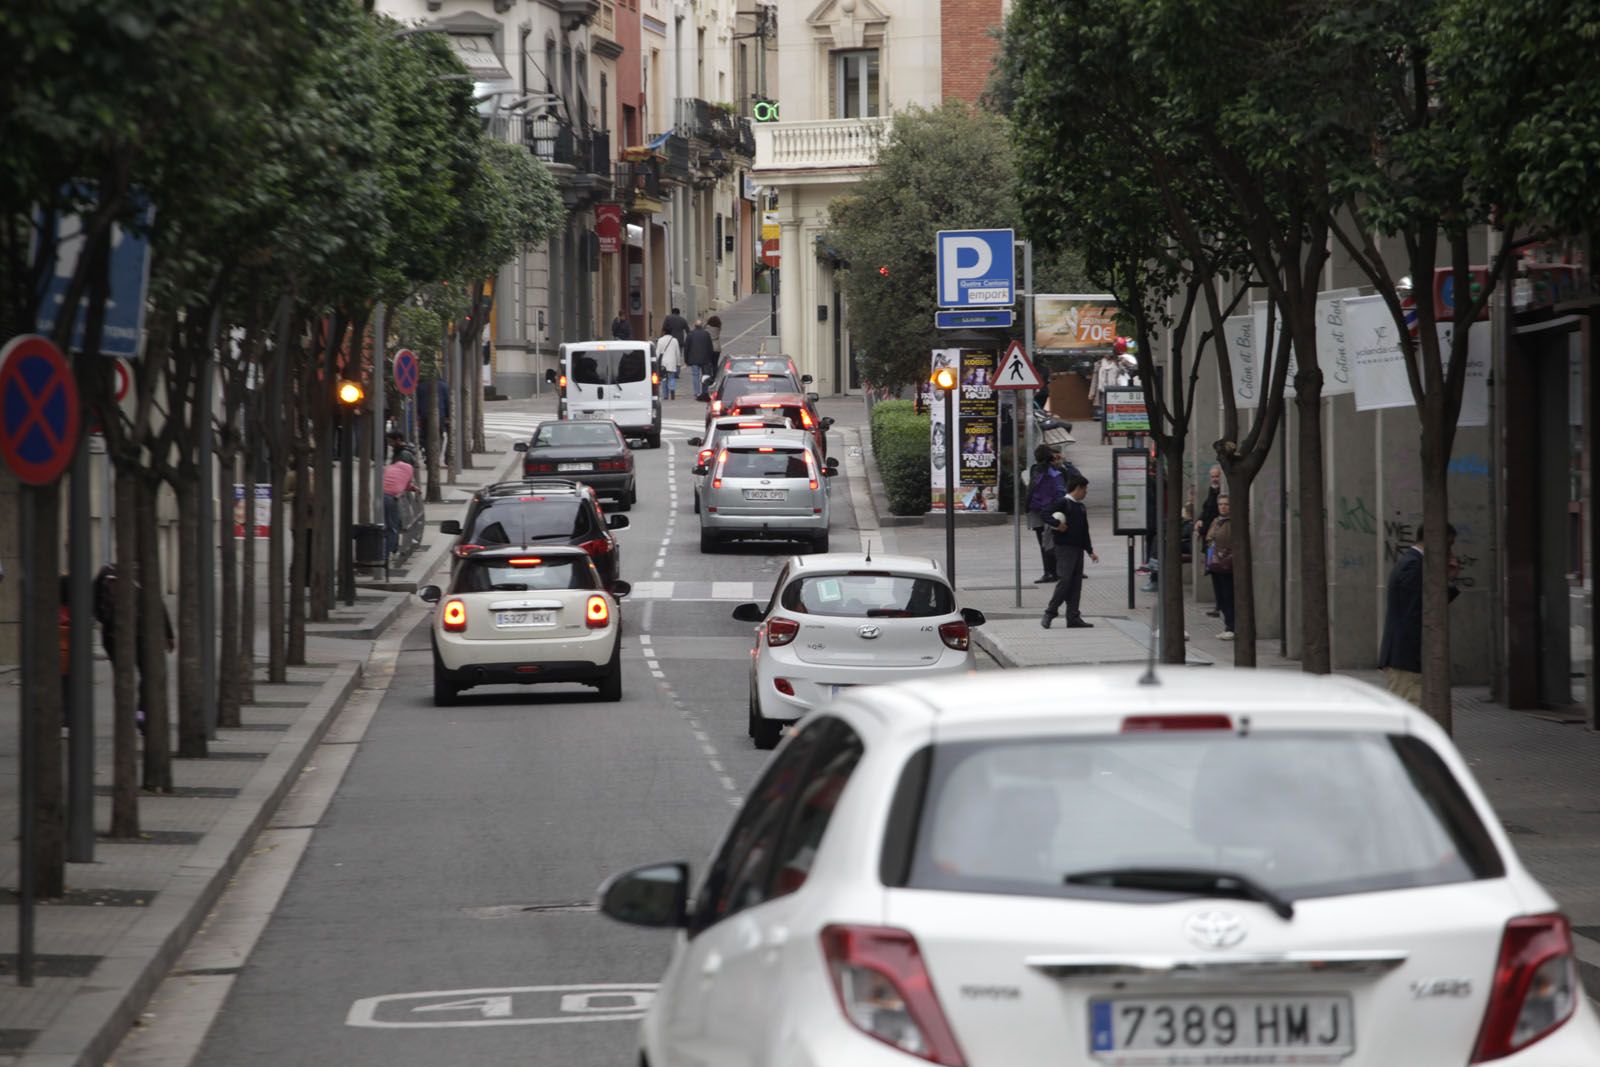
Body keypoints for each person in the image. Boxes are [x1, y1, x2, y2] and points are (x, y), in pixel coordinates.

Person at [1379, 523, 1461, 707]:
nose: (1450, 551)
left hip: (1406, 656)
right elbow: (1415, 612)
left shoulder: (1413, 563)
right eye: (1449, 544)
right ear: (1436, 541)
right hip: (1406, 657)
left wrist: (1447, 580)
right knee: (1406, 712)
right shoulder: (1414, 566)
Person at [1041, 473, 1098, 629]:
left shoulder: (1080, 507)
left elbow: (1084, 531)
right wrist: (1057, 523)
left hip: (1078, 549)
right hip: (1064, 549)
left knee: (1076, 584)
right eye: (1085, 489)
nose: (1086, 492)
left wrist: (1090, 550)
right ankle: (1050, 612)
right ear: (1078, 488)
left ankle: (1073, 617)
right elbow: (1045, 513)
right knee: (1065, 581)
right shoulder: (1063, 503)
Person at [1025, 444, 1067, 583]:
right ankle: (1060, 570)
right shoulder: (1057, 470)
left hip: (1037, 510)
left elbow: (1031, 488)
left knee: (1043, 542)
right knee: (1056, 540)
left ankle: (1048, 572)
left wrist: (1026, 506)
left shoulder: (1035, 470)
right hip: (1054, 509)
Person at [1205, 494, 1236, 639]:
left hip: (1227, 564)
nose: (1223, 507)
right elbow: (1209, 538)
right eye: (1221, 504)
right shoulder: (1216, 521)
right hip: (1215, 564)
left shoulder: (1232, 522)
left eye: (1226, 504)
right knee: (1220, 597)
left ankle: (1231, 626)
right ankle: (1228, 625)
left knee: (1228, 595)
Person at [382, 451, 418, 560]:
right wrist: (414, 488)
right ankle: (388, 554)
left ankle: (387, 551)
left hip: (381, 495)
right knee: (393, 527)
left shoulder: (391, 467)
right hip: (392, 497)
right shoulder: (409, 469)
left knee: (385, 525)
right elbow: (407, 485)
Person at [684, 318, 716, 399]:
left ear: (695, 326)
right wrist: (710, 358)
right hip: (705, 359)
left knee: (695, 375)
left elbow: (686, 348)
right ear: (702, 326)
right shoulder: (706, 334)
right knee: (705, 376)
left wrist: (686, 359)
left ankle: (697, 392)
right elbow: (710, 347)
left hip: (693, 359)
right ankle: (704, 391)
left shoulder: (690, 334)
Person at [656, 328, 683, 400]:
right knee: (671, 378)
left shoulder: (660, 340)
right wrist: (678, 363)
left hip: (664, 363)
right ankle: (672, 390)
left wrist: (654, 361)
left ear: (664, 332)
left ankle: (665, 395)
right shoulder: (675, 340)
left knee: (664, 379)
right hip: (672, 362)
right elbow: (677, 353)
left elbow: (657, 353)